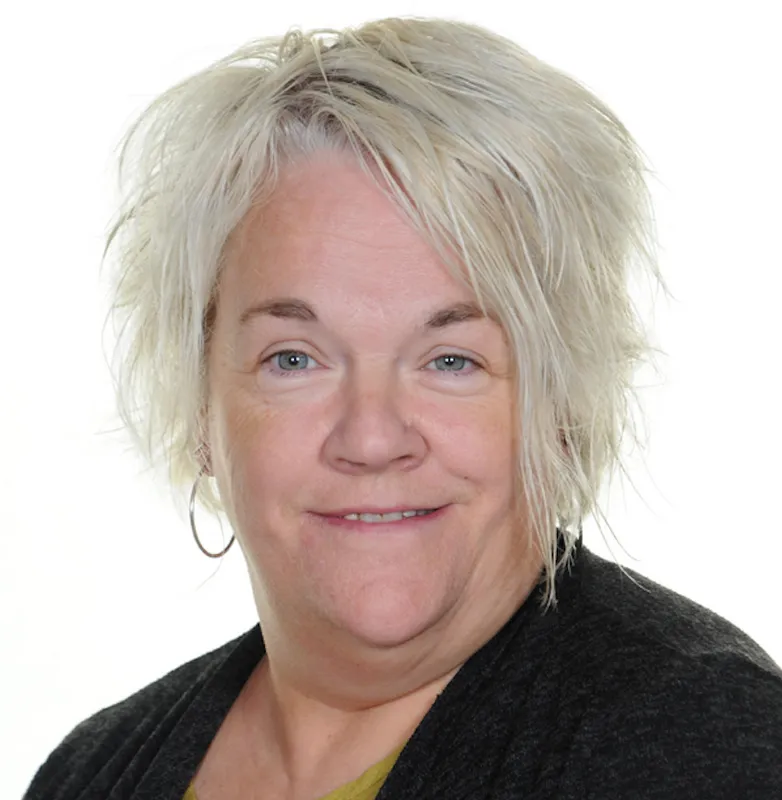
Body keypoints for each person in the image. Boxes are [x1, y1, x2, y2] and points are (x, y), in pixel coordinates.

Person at [23, 16, 782, 800]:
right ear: (200, 407)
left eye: (451, 360)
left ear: (560, 406)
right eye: (294, 359)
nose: (373, 438)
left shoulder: (691, 739)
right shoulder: (89, 775)